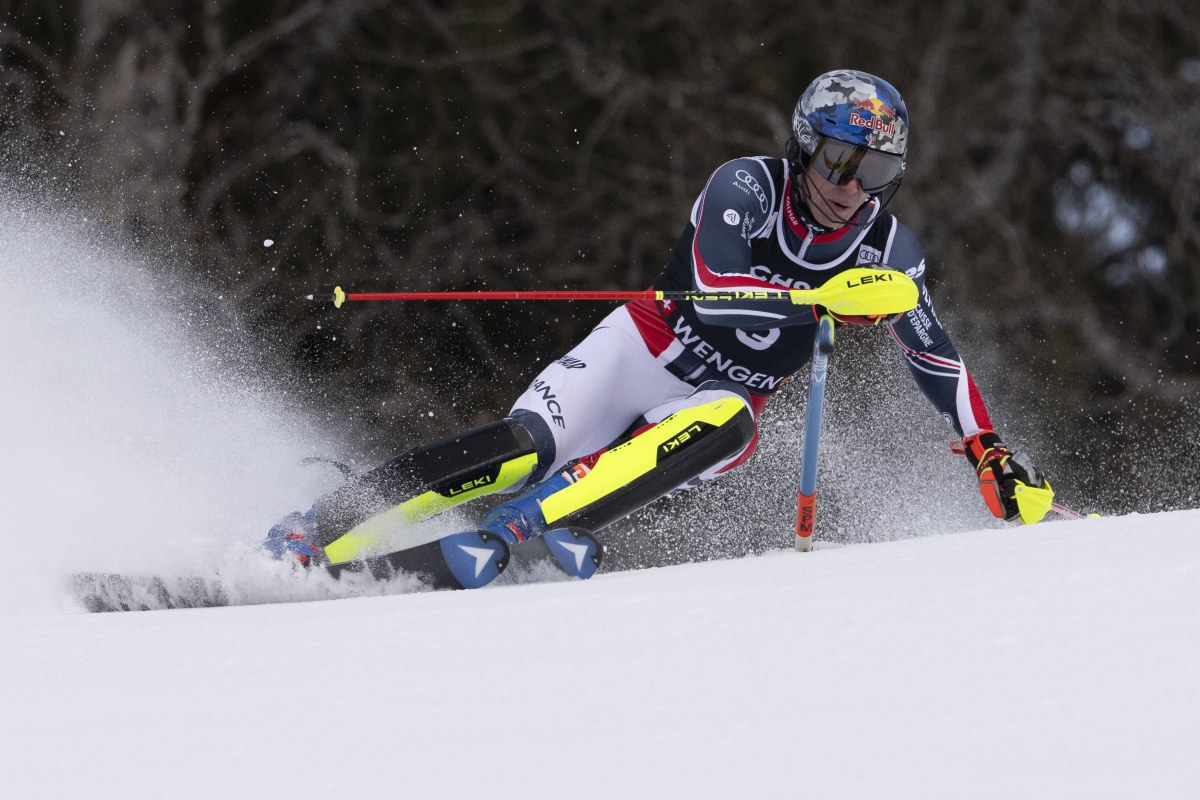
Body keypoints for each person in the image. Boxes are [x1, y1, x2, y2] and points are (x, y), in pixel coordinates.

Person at [264, 69, 1050, 588]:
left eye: (875, 172)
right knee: (524, 447)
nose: (853, 187)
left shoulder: (888, 249)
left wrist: (988, 448)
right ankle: (319, 528)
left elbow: (934, 355)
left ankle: (529, 524)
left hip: (711, 405)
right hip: (641, 349)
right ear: (806, 146)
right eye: (841, 161)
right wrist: (820, 302)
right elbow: (715, 289)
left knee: (734, 419)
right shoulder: (746, 185)